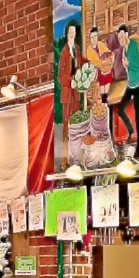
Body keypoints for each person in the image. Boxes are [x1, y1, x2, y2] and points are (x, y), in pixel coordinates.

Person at [58, 20, 83, 167]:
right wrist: (70, 81)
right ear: (67, 34)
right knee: (67, 126)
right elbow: (60, 75)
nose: (72, 34)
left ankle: (76, 157)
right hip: (68, 94)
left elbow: (81, 63)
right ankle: (64, 159)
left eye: (74, 32)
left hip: (76, 93)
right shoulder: (64, 53)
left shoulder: (77, 49)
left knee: (77, 125)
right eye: (70, 32)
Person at [117, 25, 139, 157]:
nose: (121, 39)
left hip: (138, 85)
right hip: (130, 84)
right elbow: (128, 69)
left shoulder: (133, 46)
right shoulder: (124, 49)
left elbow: (137, 66)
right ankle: (130, 130)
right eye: (119, 37)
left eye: (122, 36)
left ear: (127, 35)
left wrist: (127, 64)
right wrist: (125, 65)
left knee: (138, 116)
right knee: (120, 110)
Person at [85, 27, 113, 107]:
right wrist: (101, 62)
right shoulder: (89, 50)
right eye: (92, 37)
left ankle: (105, 99)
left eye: (95, 36)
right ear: (90, 38)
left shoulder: (100, 44)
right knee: (101, 79)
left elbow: (108, 52)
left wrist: (109, 58)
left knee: (108, 75)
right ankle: (102, 100)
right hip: (96, 70)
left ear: (97, 36)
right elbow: (92, 63)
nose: (94, 39)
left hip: (105, 68)